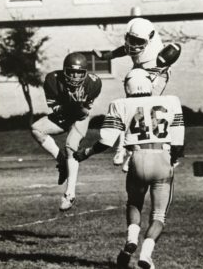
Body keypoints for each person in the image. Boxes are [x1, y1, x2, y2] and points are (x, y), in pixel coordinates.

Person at [74, 69, 185, 269]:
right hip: (162, 157)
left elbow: (106, 141)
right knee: (159, 216)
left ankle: (131, 240)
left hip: (138, 158)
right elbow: (178, 142)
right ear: (149, 84)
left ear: (127, 86)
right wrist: (173, 159)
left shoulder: (119, 104)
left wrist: (86, 153)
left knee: (134, 204)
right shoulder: (171, 101)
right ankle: (146, 255)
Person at [93, 17, 181, 170]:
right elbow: (124, 49)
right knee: (129, 109)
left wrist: (151, 81)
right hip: (140, 71)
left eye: (138, 41)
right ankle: (124, 150)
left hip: (156, 74)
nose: (133, 45)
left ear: (150, 38)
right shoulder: (136, 42)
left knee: (142, 111)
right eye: (131, 39)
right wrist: (106, 57)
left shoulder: (156, 55)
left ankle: (132, 153)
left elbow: (163, 67)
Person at [31, 52, 102, 211]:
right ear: (65, 71)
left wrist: (79, 107)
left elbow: (83, 112)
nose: (76, 77)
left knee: (71, 148)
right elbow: (56, 108)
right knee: (36, 129)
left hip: (80, 117)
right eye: (72, 72)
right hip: (63, 114)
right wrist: (70, 106)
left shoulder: (94, 83)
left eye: (79, 73)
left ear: (85, 73)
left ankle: (70, 194)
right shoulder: (52, 80)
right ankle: (62, 162)